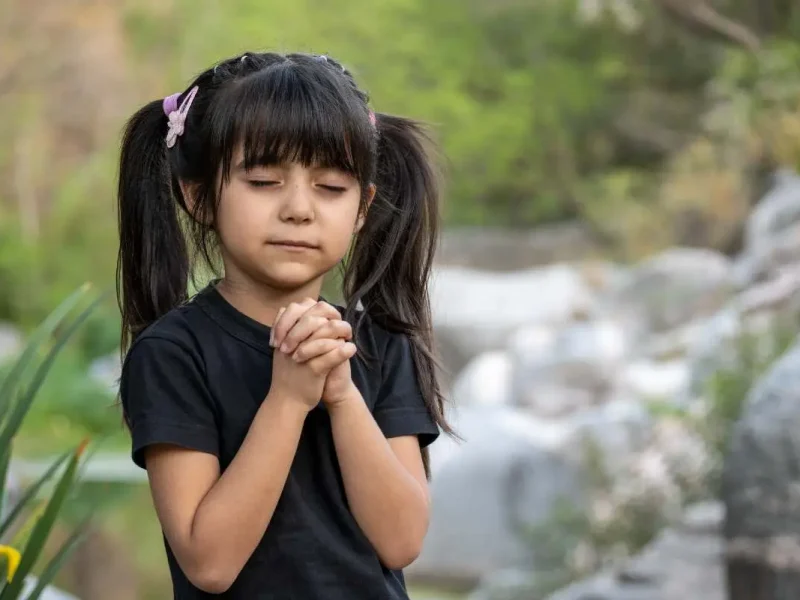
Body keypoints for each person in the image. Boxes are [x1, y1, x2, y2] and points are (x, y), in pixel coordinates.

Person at [115, 51, 453, 599]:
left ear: (363, 208)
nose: (299, 209)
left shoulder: (382, 344)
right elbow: (210, 562)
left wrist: (342, 397)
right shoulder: (174, 354)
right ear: (199, 197)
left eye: (331, 188)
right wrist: (290, 399)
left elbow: (401, 540)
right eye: (265, 180)